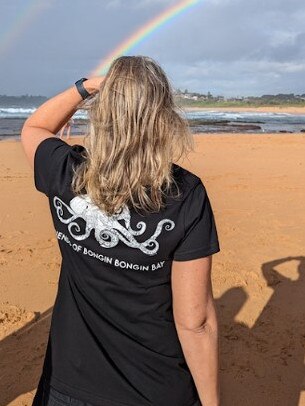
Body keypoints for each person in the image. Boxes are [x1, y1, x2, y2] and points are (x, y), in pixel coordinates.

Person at [21, 56, 221, 406]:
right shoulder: (185, 194)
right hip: (153, 390)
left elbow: (35, 128)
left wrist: (88, 86)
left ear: (103, 115)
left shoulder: (67, 173)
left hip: (68, 386)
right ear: (163, 118)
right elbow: (195, 322)